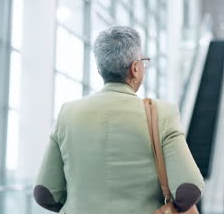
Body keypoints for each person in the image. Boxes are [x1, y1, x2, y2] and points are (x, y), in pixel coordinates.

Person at [34, 26, 205, 213]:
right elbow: (190, 189)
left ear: (100, 70)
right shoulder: (161, 113)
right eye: (143, 62)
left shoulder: (68, 113)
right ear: (135, 68)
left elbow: (45, 193)